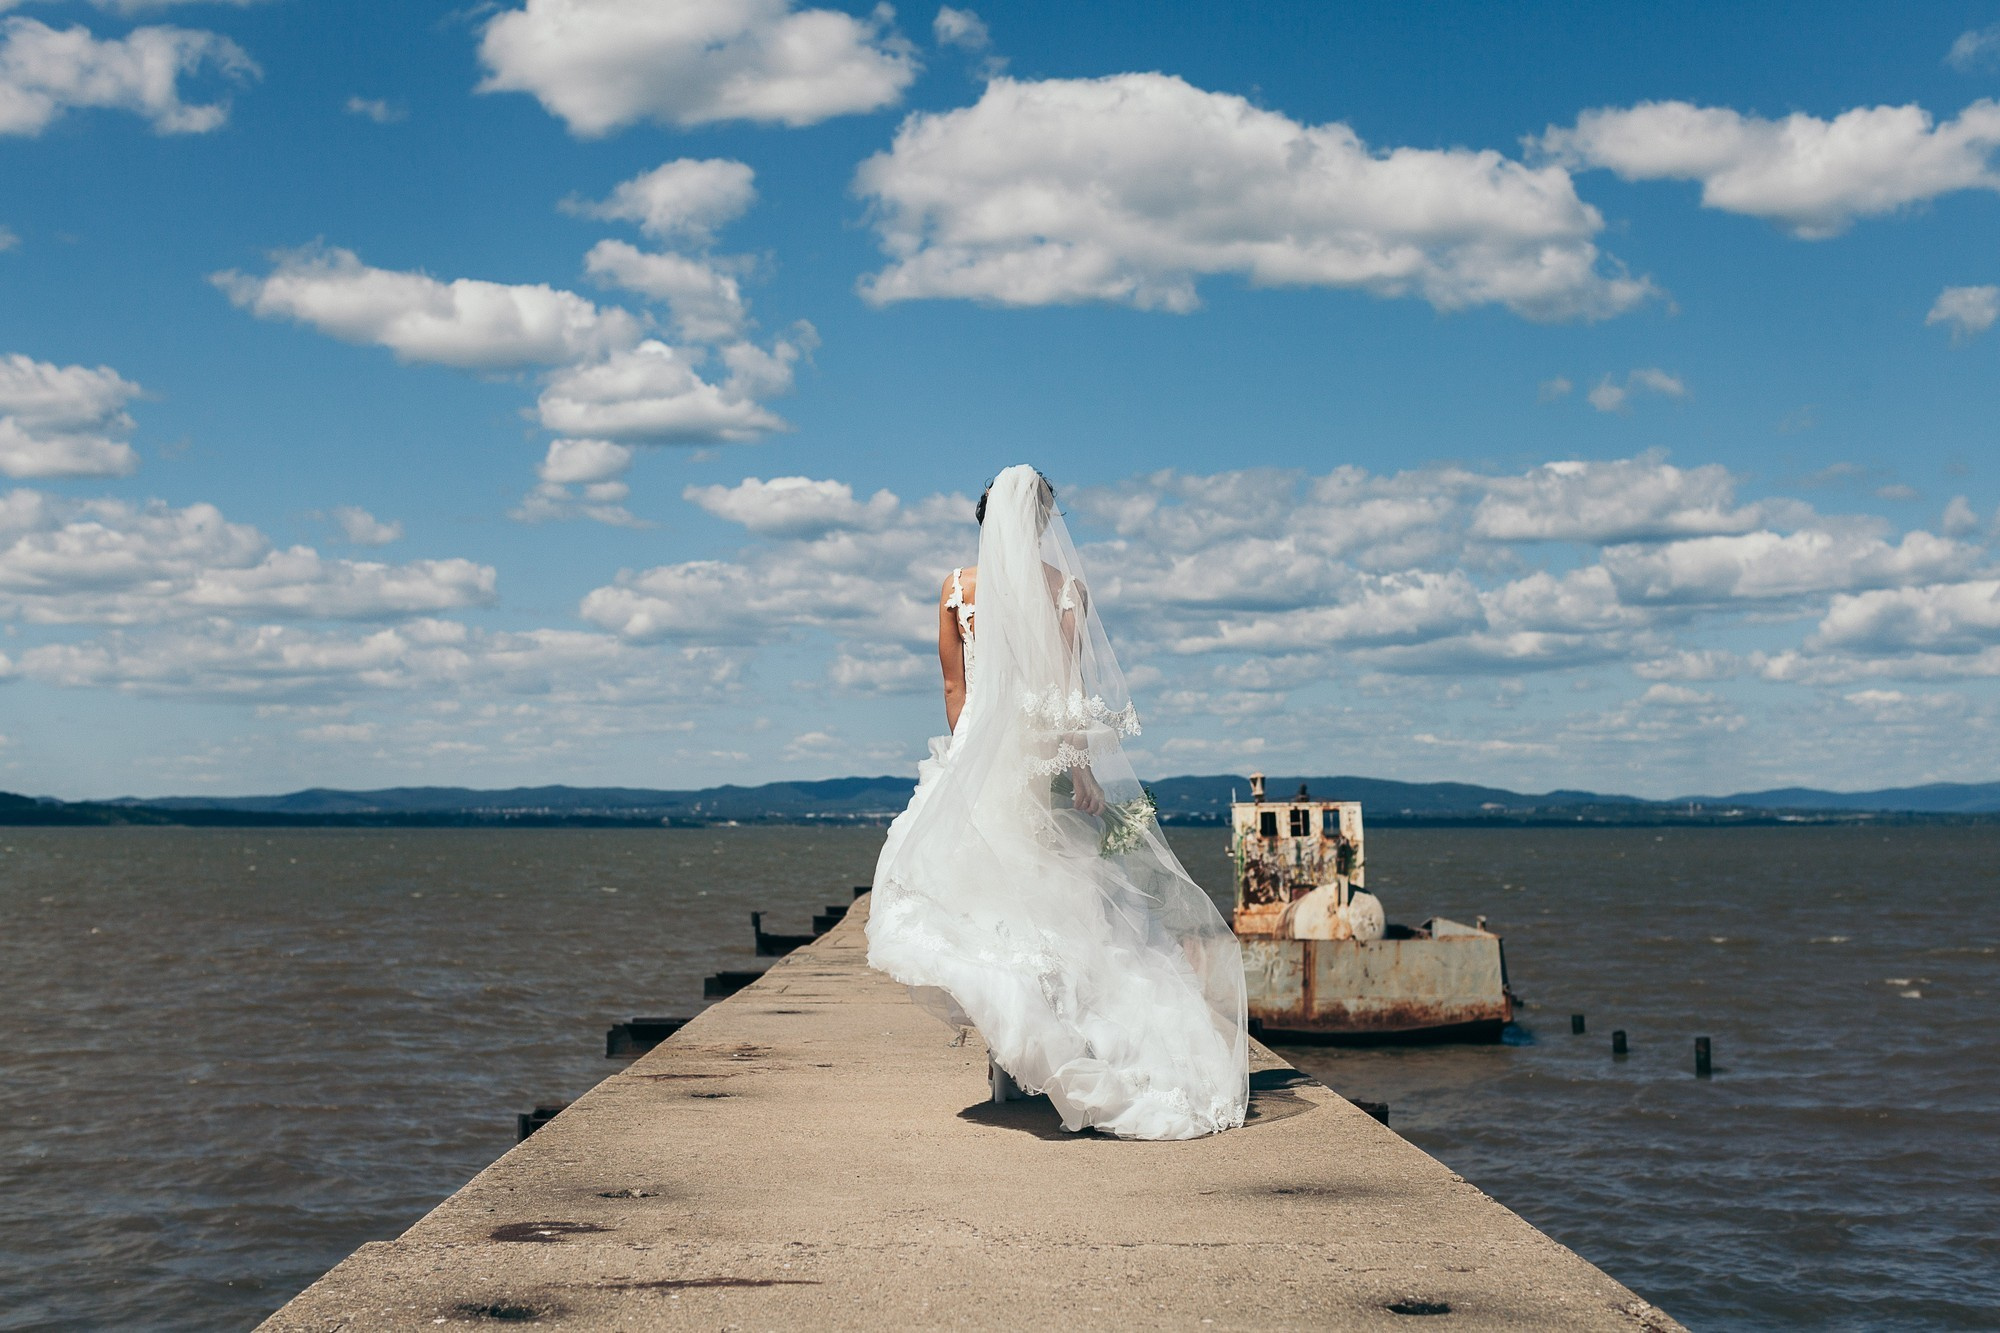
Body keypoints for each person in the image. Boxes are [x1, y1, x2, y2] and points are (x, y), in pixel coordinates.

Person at [865, 465, 1249, 1140]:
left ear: (984, 521)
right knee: (1064, 918)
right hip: (1039, 765)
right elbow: (1067, 694)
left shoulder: (958, 589)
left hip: (981, 768)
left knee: (983, 916)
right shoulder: (1066, 590)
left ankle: (1009, 1065)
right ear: (1042, 522)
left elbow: (955, 691)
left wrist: (965, 763)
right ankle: (1048, 1058)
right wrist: (1083, 774)